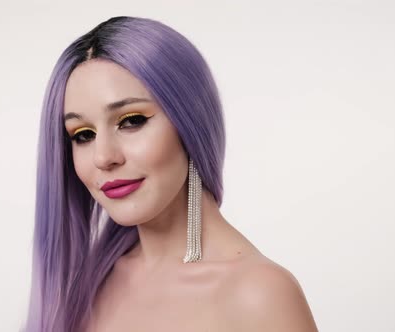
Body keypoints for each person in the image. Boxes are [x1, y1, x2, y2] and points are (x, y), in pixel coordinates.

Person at [24, 16, 318, 332]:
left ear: (190, 122)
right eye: (83, 134)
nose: (104, 157)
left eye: (131, 120)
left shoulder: (259, 295)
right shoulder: (85, 284)